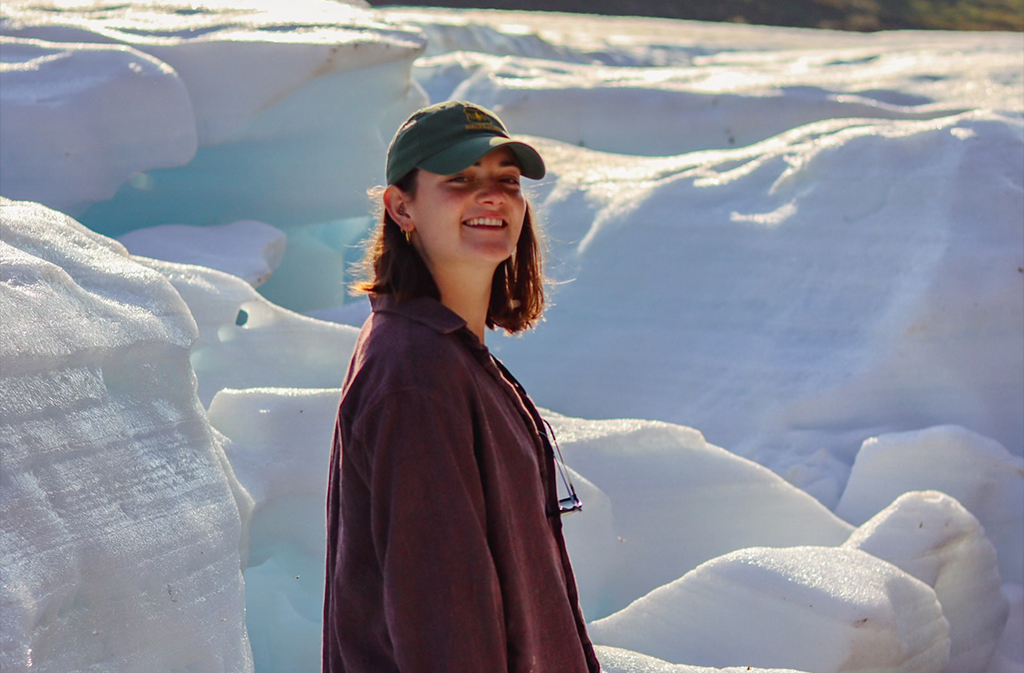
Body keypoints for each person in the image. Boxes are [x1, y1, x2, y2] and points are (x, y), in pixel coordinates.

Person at [322, 100, 601, 673]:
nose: (492, 196)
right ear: (402, 207)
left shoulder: (444, 354)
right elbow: (442, 620)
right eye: (460, 180)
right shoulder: (416, 376)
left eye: (507, 181)